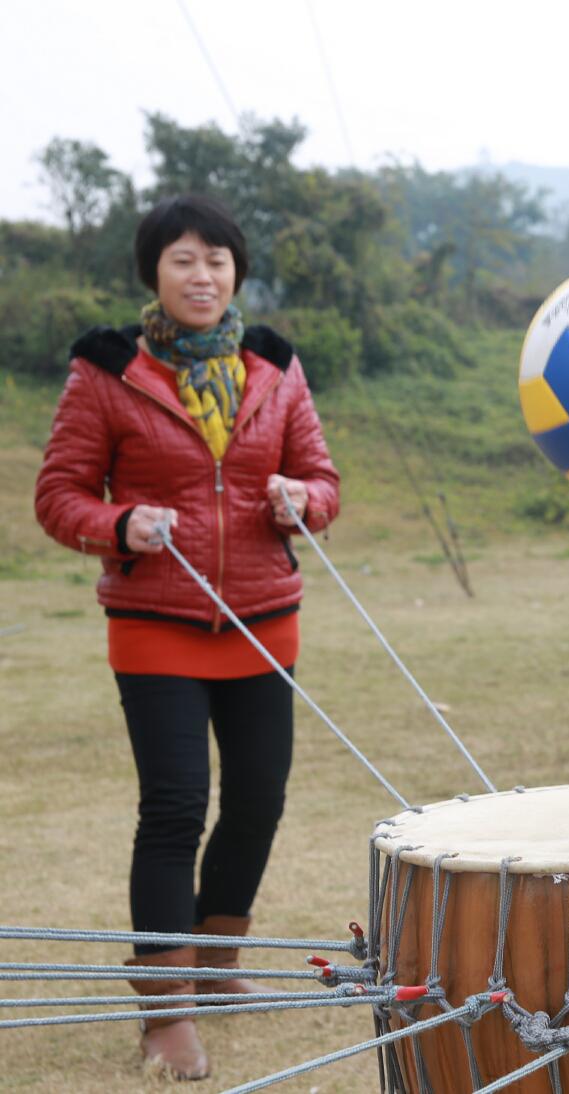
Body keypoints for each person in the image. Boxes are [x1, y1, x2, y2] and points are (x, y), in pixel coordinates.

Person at [34, 194, 340, 1081]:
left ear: (236, 272)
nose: (201, 275)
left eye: (216, 259)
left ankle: (217, 969)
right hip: (156, 627)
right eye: (182, 260)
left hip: (262, 621)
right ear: (154, 274)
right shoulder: (105, 372)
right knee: (173, 810)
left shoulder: (275, 369)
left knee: (258, 802)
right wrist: (119, 523)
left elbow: (323, 479)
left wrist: (303, 501)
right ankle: (165, 1017)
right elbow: (59, 496)